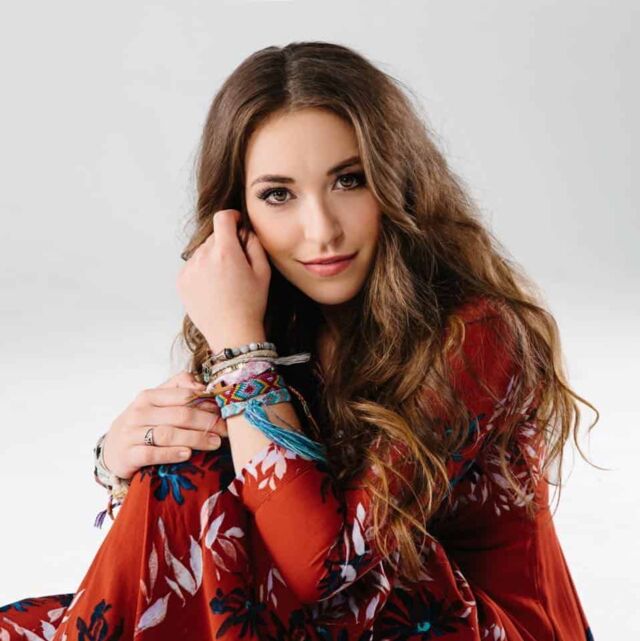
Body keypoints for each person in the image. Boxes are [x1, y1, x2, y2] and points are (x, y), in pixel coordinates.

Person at [0, 41, 597, 641]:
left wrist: (238, 347)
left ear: (399, 183)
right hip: (330, 615)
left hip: (460, 623)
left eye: (350, 180)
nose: (321, 230)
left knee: (223, 458)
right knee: (191, 453)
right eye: (278, 195)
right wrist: (118, 457)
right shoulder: (280, 319)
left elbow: (328, 569)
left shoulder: (479, 331)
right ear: (237, 214)